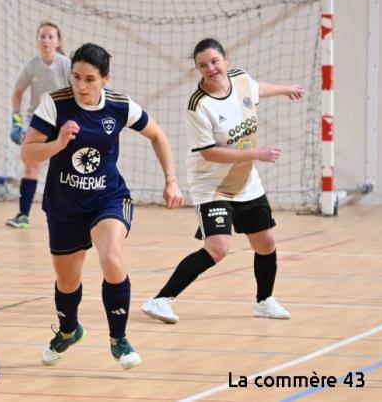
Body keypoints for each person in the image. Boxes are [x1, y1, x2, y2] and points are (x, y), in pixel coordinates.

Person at [21, 43, 184, 370]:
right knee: (68, 281)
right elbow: (28, 153)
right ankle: (69, 331)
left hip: (107, 198)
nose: (81, 86)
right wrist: (59, 143)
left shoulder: (121, 107)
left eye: (90, 79)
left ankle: (119, 340)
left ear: (105, 79)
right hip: (64, 204)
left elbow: (157, 135)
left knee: (112, 259)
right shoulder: (55, 104)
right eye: (76, 77)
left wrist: (171, 180)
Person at [141, 38, 304, 323]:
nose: (210, 68)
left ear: (225, 60)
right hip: (211, 184)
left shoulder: (240, 79)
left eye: (214, 62)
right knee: (218, 247)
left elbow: (258, 89)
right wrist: (256, 153)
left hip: (245, 181)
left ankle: (264, 301)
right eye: (203, 65)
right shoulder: (198, 105)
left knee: (266, 243)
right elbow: (210, 153)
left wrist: (285, 90)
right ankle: (161, 300)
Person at [6, 22, 71, 228]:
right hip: (37, 122)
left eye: (51, 37)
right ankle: (23, 215)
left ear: (58, 41)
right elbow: (17, 93)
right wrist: (16, 119)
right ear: (37, 40)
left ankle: (71, 214)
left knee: (67, 170)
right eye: (42, 36)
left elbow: (77, 92)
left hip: (61, 122)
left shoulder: (66, 64)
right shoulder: (31, 65)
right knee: (31, 166)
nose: (46, 40)